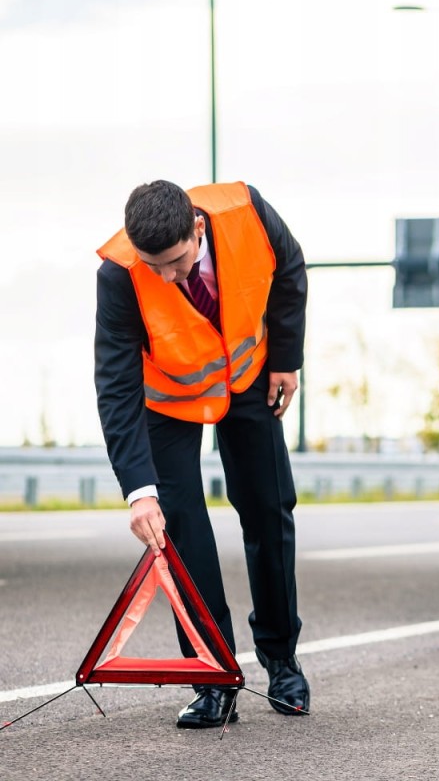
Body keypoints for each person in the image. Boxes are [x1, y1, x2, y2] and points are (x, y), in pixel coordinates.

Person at [94, 179, 310, 728]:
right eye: (155, 267)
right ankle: (213, 677)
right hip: (169, 397)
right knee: (180, 527)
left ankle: (282, 660)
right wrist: (139, 491)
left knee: (269, 509)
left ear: (196, 228)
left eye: (176, 262)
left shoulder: (246, 211)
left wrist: (286, 359)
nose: (167, 277)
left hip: (248, 376)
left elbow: (289, 270)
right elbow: (116, 384)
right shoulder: (119, 273)